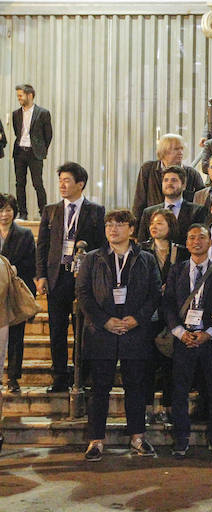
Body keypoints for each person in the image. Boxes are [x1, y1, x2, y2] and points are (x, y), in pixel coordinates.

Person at [78, 209, 161, 461]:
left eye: (119, 224)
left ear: (132, 230)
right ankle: (96, 441)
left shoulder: (146, 259)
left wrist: (137, 319)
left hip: (134, 332)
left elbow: (155, 293)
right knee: (99, 388)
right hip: (101, 333)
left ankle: (137, 437)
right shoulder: (93, 259)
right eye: (109, 225)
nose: (113, 229)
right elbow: (83, 294)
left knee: (135, 387)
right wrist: (105, 321)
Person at [36, 161, 106, 392]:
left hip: (83, 280)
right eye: (60, 181)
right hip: (57, 277)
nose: (62, 185)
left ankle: (80, 375)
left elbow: (101, 248)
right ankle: (59, 376)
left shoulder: (96, 211)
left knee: (82, 330)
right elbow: (43, 246)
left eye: (67, 180)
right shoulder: (51, 210)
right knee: (56, 329)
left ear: (80, 184)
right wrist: (41, 276)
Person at [163, 224, 212, 458]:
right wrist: (180, 332)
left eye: (202, 237)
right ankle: (181, 439)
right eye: (191, 237)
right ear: (187, 242)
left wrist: (209, 333)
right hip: (183, 340)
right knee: (179, 392)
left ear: (210, 242)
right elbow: (169, 303)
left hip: (209, 340)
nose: (196, 241)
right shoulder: (177, 270)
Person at [138, 208, 187, 424]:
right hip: (148, 315)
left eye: (160, 223)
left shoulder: (181, 252)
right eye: (152, 223)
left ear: (171, 226)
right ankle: (147, 407)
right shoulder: (141, 251)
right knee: (146, 364)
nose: (154, 226)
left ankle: (168, 408)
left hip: (173, 316)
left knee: (171, 365)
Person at [0, 193, 36, 394]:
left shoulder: (25, 234)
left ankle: (13, 376)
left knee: (16, 336)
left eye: (8, 210)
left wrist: (14, 269)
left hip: (14, 291)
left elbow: (31, 264)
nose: (4, 214)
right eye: (1, 210)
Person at [132, 134, 205, 222]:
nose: (180, 152)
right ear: (164, 151)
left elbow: (202, 198)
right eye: (176, 149)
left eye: (181, 148)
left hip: (182, 224)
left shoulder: (191, 173)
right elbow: (139, 200)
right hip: (153, 221)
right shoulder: (148, 169)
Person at [136, 166, 211, 244]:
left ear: (183, 185)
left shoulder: (197, 211)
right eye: (166, 180)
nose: (169, 183)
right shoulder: (148, 212)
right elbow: (142, 243)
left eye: (174, 180)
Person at [11, 84, 52, 219]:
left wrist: (41, 149)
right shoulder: (16, 114)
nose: (19, 98)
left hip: (35, 153)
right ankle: (23, 213)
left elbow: (48, 135)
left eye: (20, 95)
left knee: (37, 183)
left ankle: (43, 213)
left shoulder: (43, 113)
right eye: (18, 96)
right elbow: (18, 132)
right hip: (19, 152)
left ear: (30, 95)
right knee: (20, 183)